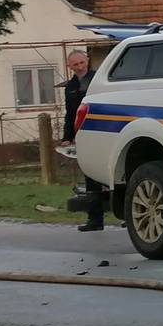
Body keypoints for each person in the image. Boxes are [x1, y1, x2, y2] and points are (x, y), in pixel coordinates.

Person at [60, 50, 105, 232]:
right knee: (91, 176)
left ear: (87, 61)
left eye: (81, 63)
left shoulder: (99, 79)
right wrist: (67, 137)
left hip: (103, 131)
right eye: (75, 64)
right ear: (69, 66)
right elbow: (70, 114)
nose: (79, 67)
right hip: (83, 135)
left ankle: (127, 216)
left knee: (116, 176)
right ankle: (95, 220)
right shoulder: (70, 87)